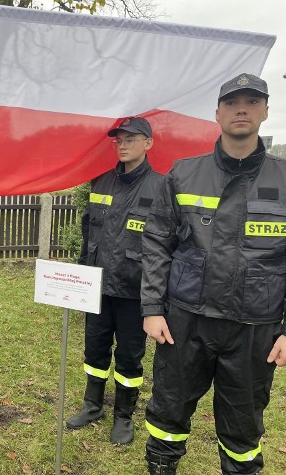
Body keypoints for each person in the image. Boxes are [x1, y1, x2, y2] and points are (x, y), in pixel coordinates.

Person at [141, 73, 286, 475]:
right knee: (169, 411)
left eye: (252, 102)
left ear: (266, 111)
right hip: (186, 322)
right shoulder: (183, 174)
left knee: (242, 427)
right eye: (233, 102)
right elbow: (156, 244)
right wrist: (152, 308)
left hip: (255, 328)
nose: (242, 109)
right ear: (218, 113)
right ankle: (161, 466)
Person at [66, 117, 163, 444]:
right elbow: (87, 232)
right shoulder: (101, 182)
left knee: (129, 356)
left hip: (135, 291)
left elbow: (166, 245)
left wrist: (158, 296)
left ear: (148, 143)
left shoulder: (162, 187)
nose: (122, 144)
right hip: (96, 286)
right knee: (94, 349)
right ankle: (92, 404)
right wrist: (81, 276)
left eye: (131, 139)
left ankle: (123, 415)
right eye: (119, 139)